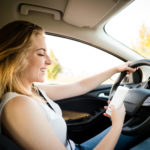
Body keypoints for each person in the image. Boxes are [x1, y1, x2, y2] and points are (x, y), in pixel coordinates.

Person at [0, 20, 138, 150]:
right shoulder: (19, 105)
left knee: (137, 128)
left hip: (74, 146)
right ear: (16, 58)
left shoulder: (32, 90)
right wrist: (117, 125)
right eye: (41, 54)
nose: (49, 61)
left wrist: (115, 69)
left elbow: (79, 87)